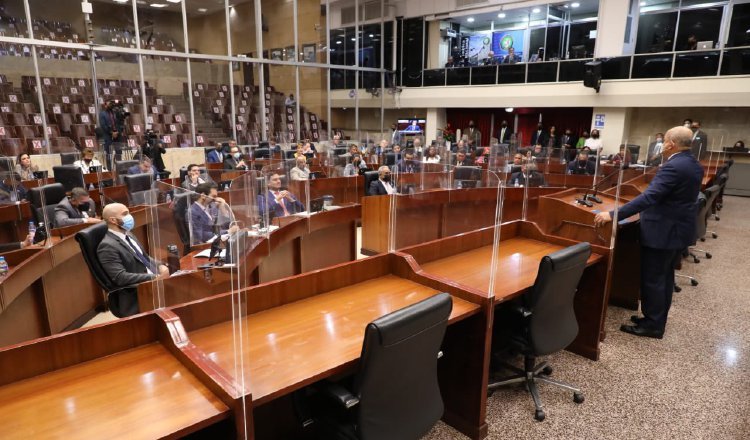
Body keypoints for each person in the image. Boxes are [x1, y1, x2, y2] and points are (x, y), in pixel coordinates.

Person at [594, 126, 703, 339]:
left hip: (664, 231)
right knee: (664, 278)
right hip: (677, 230)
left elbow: (649, 198)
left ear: (671, 143)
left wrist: (613, 214)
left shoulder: (673, 167)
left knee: (654, 279)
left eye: (665, 141)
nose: (663, 145)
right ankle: (654, 318)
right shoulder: (692, 163)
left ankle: (653, 325)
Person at [97, 202, 169, 317]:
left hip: (153, 284)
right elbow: (120, 277)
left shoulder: (128, 234)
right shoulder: (107, 246)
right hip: (138, 293)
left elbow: (144, 257)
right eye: (125, 214)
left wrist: (160, 265)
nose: (130, 217)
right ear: (113, 220)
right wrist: (155, 277)